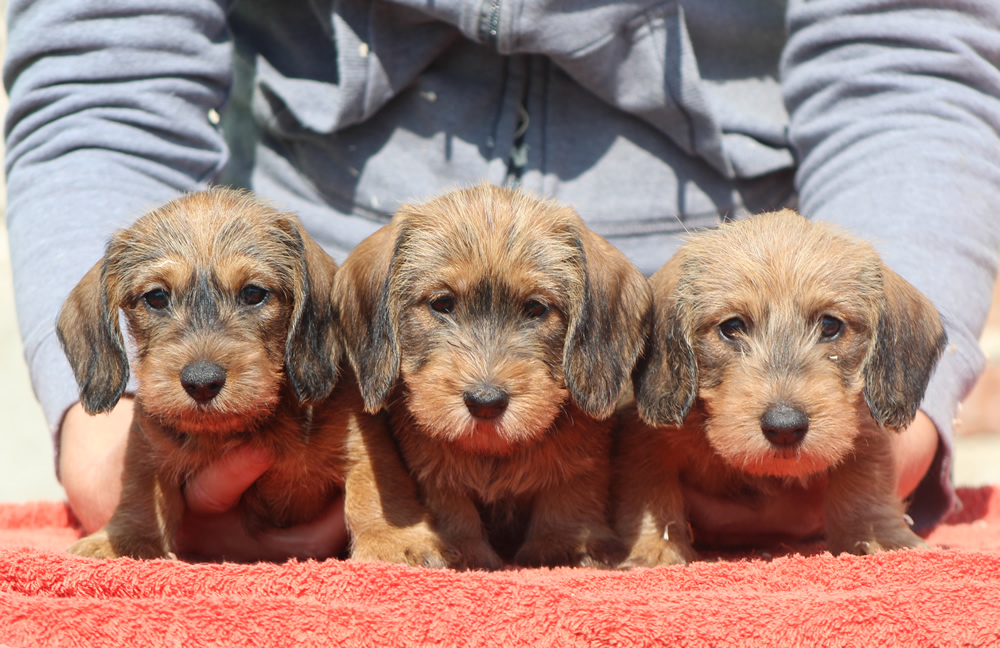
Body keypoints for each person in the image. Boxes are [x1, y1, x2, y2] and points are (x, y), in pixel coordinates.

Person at [5, 0, 1000, 561]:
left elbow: (910, 59)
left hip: (685, 327)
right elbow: (105, 64)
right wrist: (108, 429)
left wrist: (892, 414)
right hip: (334, 331)